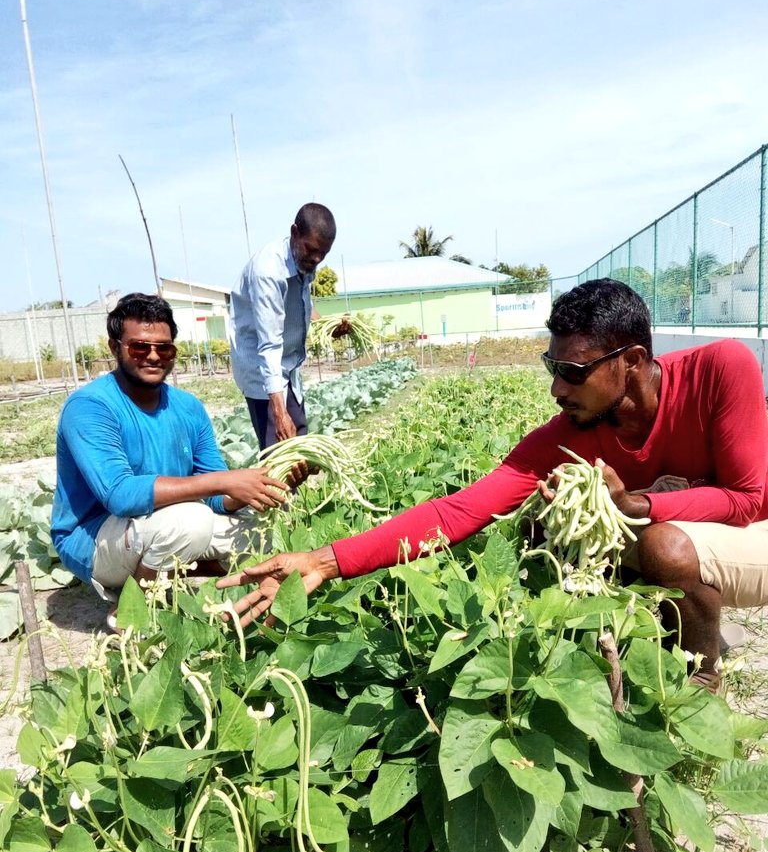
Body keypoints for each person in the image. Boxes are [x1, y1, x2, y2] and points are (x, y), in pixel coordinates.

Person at [219, 278, 768, 689]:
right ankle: (670, 631)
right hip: (691, 525)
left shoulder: (721, 367)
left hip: (750, 532)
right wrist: (323, 560)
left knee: (661, 543)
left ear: (632, 362)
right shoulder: (570, 433)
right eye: (552, 367)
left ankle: (701, 684)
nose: (557, 387)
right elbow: (455, 513)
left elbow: (751, 498)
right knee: (550, 527)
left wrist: (635, 502)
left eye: (573, 372)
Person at [51, 293, 301, 624]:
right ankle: (129, 615)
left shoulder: (187, 407)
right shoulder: (90, 407)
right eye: (140, 347)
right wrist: (222, 480)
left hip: (161, 528)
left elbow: (214, 496)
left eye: (164, 348)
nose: (153, 356)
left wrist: (257, 486)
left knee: (268, 535)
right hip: (94, 539)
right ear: (115, 348)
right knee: (189, 522)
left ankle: (167, 577)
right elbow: (120, 495)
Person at [229, 202, 345, 449]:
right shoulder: (268, 272)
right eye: (311, 249)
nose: (316, 258)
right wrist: (279, 413)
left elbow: (303, 304)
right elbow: (269, 346)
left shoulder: (304, 261)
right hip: (264, 372)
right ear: (294, 233)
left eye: (323, 254)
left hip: (288, 367)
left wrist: (328, 326)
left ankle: (298, 489)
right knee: (280, 456)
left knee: (299, 447)